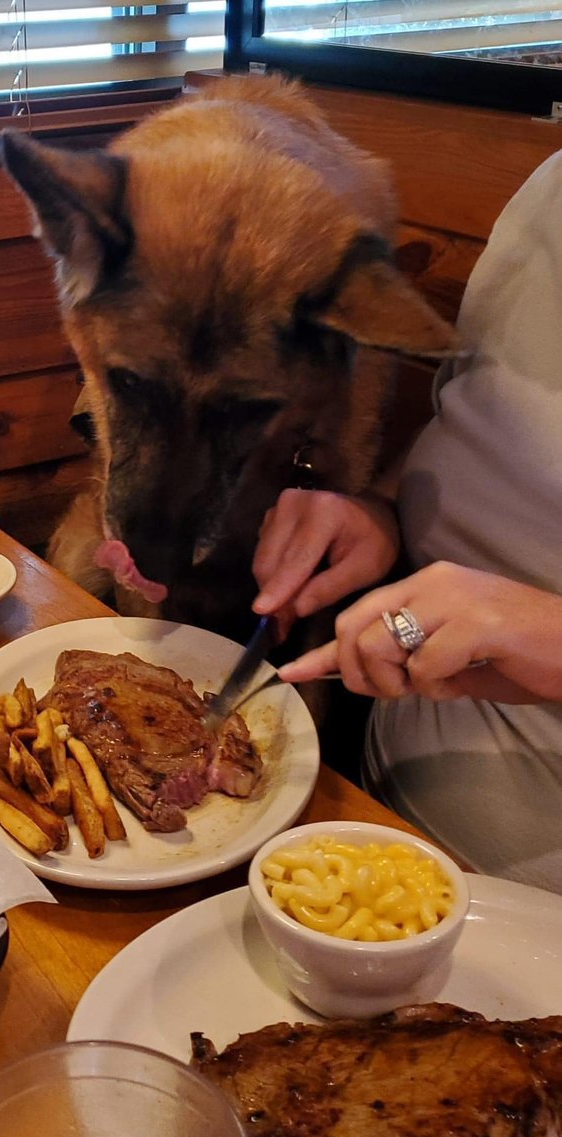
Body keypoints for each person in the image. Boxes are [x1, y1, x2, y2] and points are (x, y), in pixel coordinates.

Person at [252, 148, 562, 893]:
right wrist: (380, 511)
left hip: (520, 900)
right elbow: (465, 423)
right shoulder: (550, 188)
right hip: (364, 807)